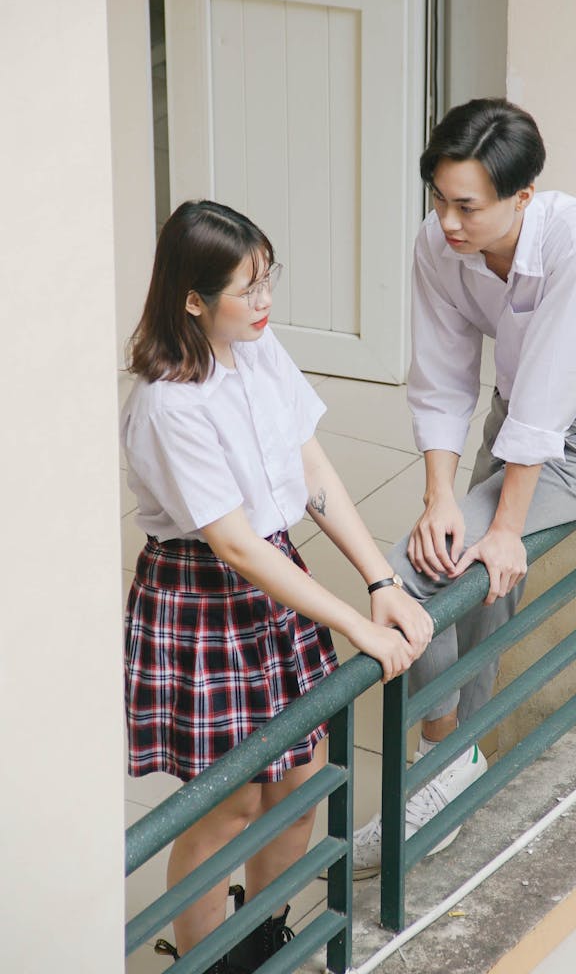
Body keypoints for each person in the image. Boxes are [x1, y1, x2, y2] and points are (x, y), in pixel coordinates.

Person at [121, 200, 433, 973]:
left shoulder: (254, 347)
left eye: (269, 281)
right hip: (204, 593)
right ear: (192, 298)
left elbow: (310, 467)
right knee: (230, 801)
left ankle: (264, 935)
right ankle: (210, 962)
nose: (266, 303)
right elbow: (233, 545)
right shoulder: (169, 403)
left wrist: (381, 580)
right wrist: (357, 628)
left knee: (298, 782)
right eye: (247, 288)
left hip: (275, 579)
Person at [353, 97, 576, 877]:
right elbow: (443, 377)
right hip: (510, 428)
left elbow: (551, 395)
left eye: (466, 206)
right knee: (460, 564)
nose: (447, 221)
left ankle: (439, 762)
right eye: (439, 199)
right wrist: (440, 499)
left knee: (426, 572)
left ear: (523, 197)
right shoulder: (437, 243)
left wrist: (505, 526)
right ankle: (453, 763)